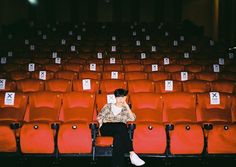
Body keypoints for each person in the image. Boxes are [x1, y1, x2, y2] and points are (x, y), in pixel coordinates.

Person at [97, 88, 145, 167]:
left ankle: (117, 165)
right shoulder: (108, 106)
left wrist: (127, 106)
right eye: (118, 97)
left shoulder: (126, 110)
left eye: (123, 97)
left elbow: (133, 119)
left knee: (118, 137)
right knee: (122, 126)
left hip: (119, 131)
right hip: (106, 128)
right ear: (115, 98)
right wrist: (100, 121)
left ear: (126, 98)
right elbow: (99, 117)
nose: (120, 99)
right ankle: (132, 153)